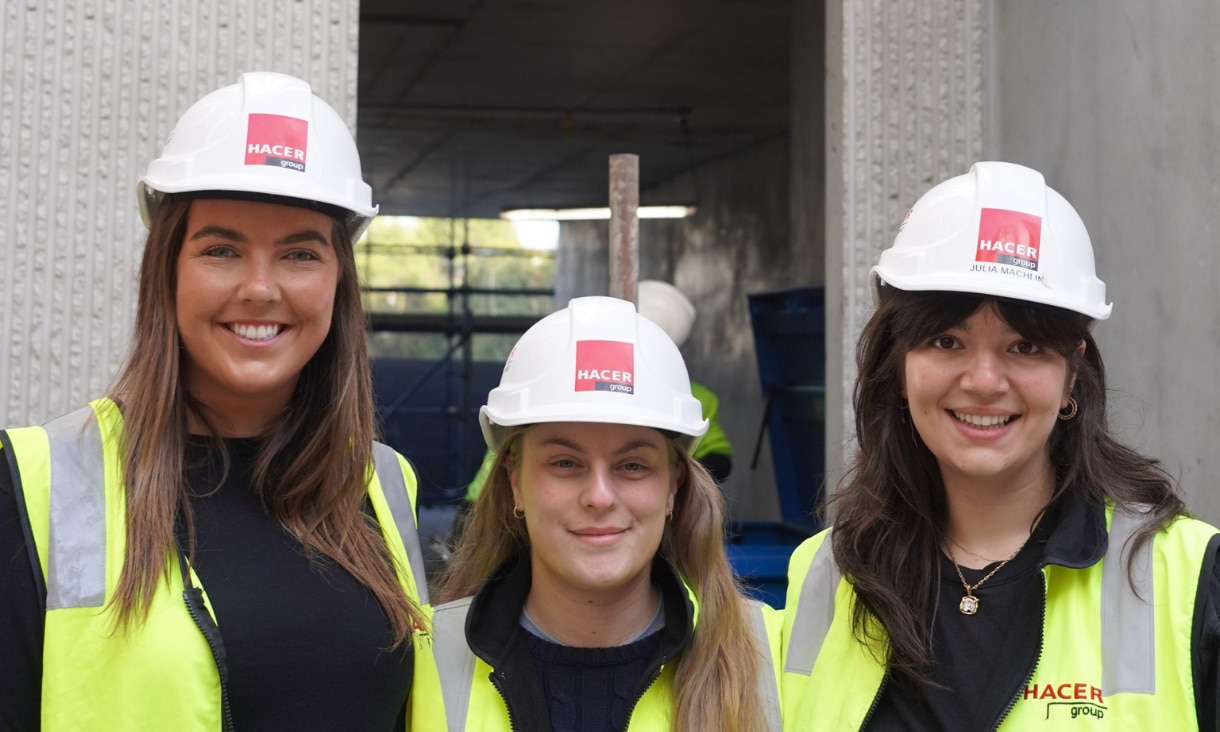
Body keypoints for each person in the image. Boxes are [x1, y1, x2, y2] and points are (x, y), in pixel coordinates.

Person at [0, 72, 430, 731]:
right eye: (222, 249)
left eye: (299, 253)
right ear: (166, 268)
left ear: (338, 280)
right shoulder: (34, 483)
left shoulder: (381, 482)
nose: (260, 288)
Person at [780, 161, 1220, 730]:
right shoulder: (824, 573)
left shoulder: (1189, 578)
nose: (984, 381)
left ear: (1072, 372)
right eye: (947, 340)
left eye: (1025, 346)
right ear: (900, 362)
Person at [412, 295, 782, 732]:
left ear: (673, 486)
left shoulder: (770, 657)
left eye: (632, 465)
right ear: (515, 479)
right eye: (565, 463)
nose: (600, 497)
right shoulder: (423, 660)